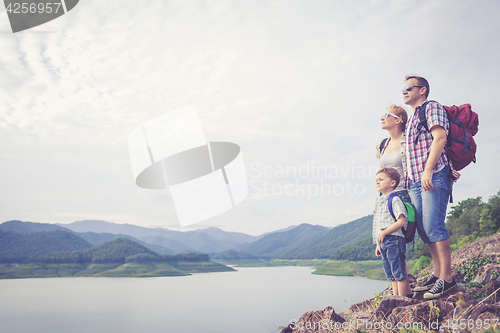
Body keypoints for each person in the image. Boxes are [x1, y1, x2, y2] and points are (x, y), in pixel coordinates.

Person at [403, 75, 457, 299]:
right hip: (414, 181)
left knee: (434, 226)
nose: (404, 91)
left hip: (432, 175)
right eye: (403, 89)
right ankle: (437, 274)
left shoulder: (431, 107)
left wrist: (428, 170)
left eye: (408, 88)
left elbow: (440, 137)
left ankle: (447, 279)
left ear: (422, 90)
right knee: (424, 230)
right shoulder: (412, 119)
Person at [376, 104, 412, 296]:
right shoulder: (383, 144)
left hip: (402, 195)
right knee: (392, 253)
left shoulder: (408, 141)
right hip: (385, 197)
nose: (382, 117)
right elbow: (380, 174)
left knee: (398, 247)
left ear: (398, 120)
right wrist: (378, 199)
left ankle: (403, 298)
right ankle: (400, 297)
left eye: (386, 115)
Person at [373, 167, 408, 297]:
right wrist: (378, 243)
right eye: (376, 180)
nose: (377, 182)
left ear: (392, 183)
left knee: (399, 273)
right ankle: (395, 298)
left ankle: (402, 300)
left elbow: (401, 221)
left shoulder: (394, 199)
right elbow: (379, 225)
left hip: (394, 240)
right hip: (384, 242)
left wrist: (384, 233)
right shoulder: (380, 202)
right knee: (392, 275)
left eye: (381, 179)